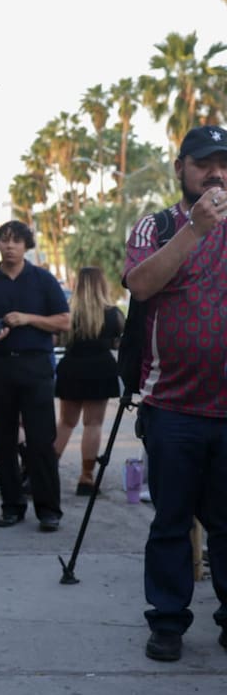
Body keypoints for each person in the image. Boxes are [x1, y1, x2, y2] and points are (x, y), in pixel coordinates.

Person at [122, 124, 227, 663]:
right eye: (205, 162)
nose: (217, 173)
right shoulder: (156, 226)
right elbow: (139, 285)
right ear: (181, 167)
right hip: (172, 408)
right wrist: (193, 230)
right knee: (170, 520)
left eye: (224, 164)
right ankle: (167, 622)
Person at [0, 221, 70, 531]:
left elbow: (65, 321)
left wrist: (27, 319)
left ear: (26, 245)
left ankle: (49, 509)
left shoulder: (43, 280)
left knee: (41, 441)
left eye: (16, 241)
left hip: (36, 366)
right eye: (4, 240)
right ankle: (11, 506)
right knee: (4, 442)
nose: (10, 246)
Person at [52, 266, 125, 495]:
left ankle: (43, 472)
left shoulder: (67, 312)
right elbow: (119, 342)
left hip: (72, 367)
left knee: (65, 423)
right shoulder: (114, 313)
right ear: (102, 284)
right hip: (101, 369)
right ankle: (86, 478)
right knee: (93, 424)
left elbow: (57, 340)